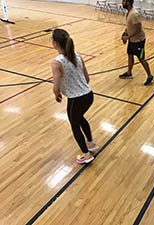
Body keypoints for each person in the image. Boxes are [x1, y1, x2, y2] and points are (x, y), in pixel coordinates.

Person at [51, 28, 98, 164]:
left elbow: (56, 85)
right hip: (88, 95)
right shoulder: (77, 55)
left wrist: (57, 94)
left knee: (74, 124)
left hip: (76, 98)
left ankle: (86, 154)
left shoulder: (57, 62)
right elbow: (87, 78)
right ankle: (91, 143)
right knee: (79, 118)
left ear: (55, 43)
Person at [119, 0, 154, 86]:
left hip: (139, 41)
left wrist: (127, 37)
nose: (122, 2)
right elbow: (129, 26)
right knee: (130, 56)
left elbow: (138, 29)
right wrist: (125, 33)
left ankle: (150, 76)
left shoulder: (134, 14)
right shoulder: (128, 13)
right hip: (132, 40)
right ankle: (129, 73)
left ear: (128, 2)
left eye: (124, 1)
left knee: (141, 59)